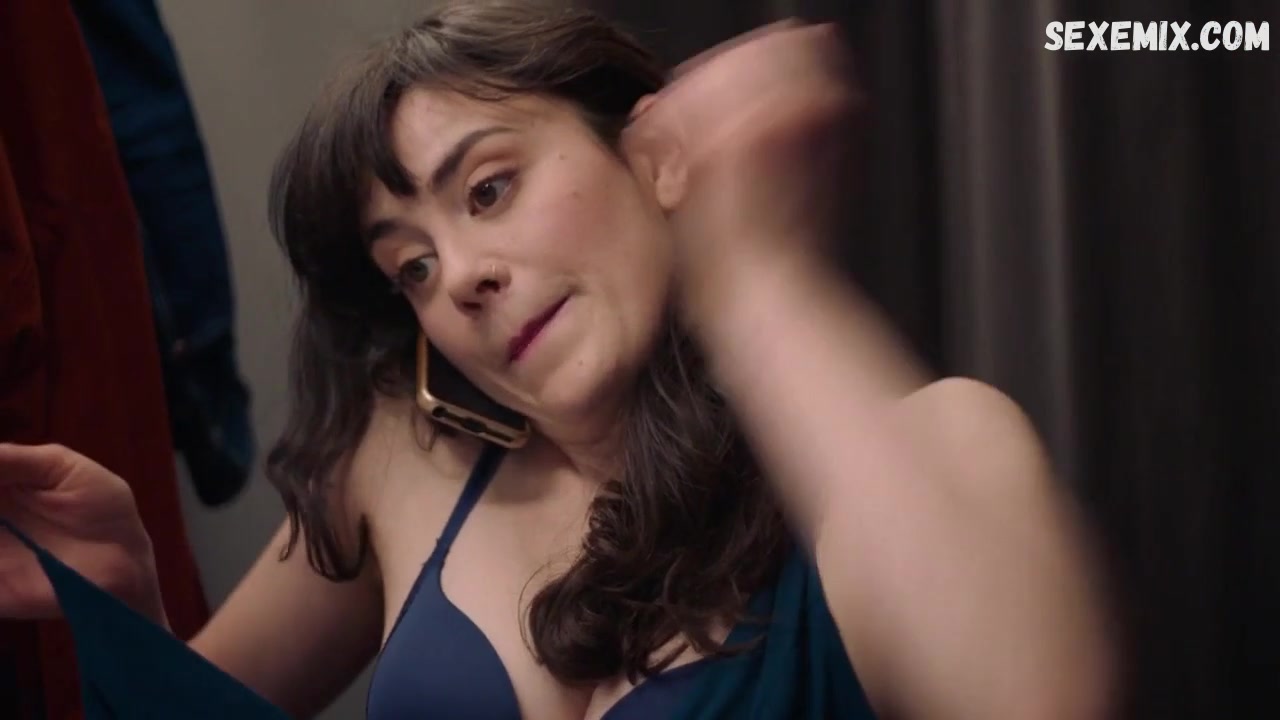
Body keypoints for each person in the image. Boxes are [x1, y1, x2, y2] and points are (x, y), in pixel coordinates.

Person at [0, 2, 1116, 718]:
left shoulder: (917, 447)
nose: (461, 277)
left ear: (651, 154)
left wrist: (750, 272)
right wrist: (128, 612)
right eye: (411, 267)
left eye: (489, 189)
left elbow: (1037, 693)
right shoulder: (399, 458)